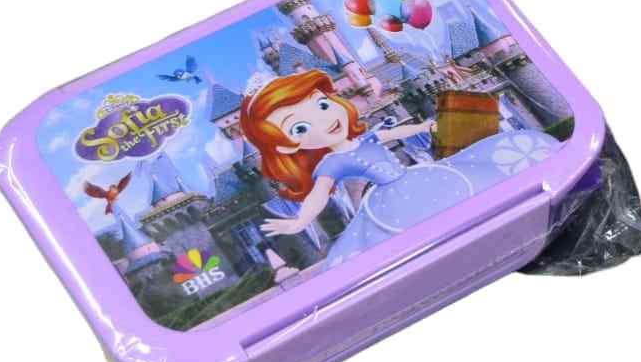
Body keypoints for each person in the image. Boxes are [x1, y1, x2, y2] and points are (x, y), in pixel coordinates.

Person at [240, 70, 560, 267]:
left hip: (419, 179)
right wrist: (300, 221)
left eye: (322, 104)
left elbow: (394, 133)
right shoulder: (331, 162)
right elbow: (319, 195)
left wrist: (424, 126)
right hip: (389, 202)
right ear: (285, 146)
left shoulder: (367, 137)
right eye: (298, 127)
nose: (323, 120)